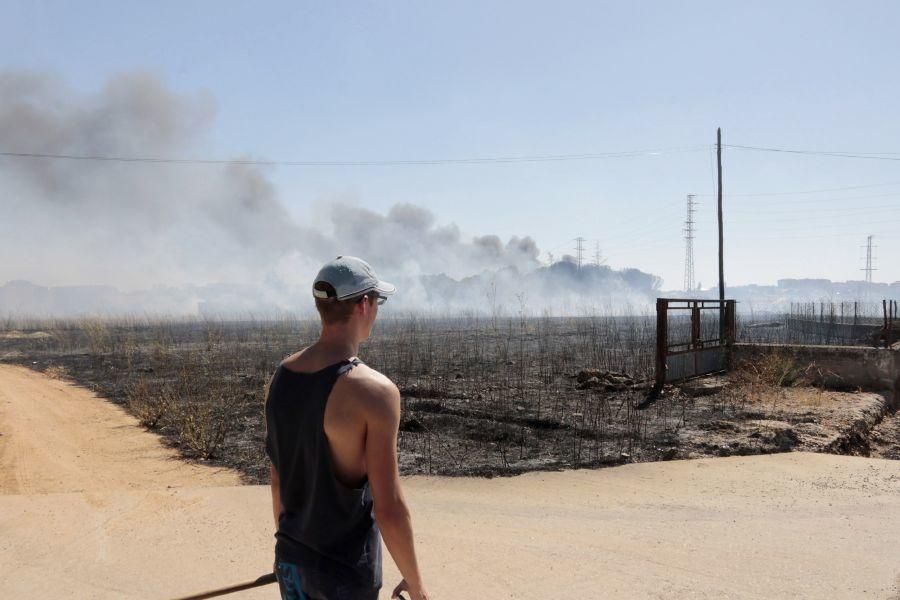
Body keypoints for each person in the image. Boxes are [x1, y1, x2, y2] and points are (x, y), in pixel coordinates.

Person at [265, 256, 429, 600]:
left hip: (292, 562)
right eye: (378, 302)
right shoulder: (375, 392)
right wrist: (416, 584)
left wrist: (295, 555)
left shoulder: (281, 377)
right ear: (364, 305)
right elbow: (389, 506)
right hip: (344, 574)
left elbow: (278, 480)